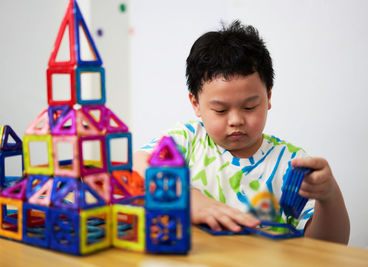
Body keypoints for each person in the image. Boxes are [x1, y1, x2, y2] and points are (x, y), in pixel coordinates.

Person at [133, 20, 349, 244]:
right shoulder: (186, 141)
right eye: (220, 110)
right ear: (196, 103)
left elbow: (331, 246)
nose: (236, 120)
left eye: (249, 107)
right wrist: (187, 198)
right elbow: (138, 165)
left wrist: (329, 196)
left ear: (269, 98)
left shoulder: (291, 163)